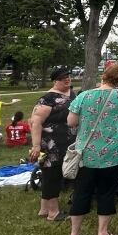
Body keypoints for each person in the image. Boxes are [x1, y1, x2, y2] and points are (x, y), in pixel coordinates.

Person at [66, 63, 118, 235]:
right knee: (106, 191)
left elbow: (71, 121)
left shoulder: (84, 96)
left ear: (103, 76)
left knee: (81, 191)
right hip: (113, 151)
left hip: (86, 153)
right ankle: (102, 234)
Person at [29, 67, 77, 222]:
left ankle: (44, 209)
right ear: (55, 80)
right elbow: (35, 122)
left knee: (53, 175)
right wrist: (36, 146)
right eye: (63, 78)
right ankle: (53, 213)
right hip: (50, 145)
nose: (67, 79)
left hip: (67, 143)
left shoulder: (72, 93)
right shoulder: (47, 98)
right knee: (51, 176)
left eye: (68, 76)